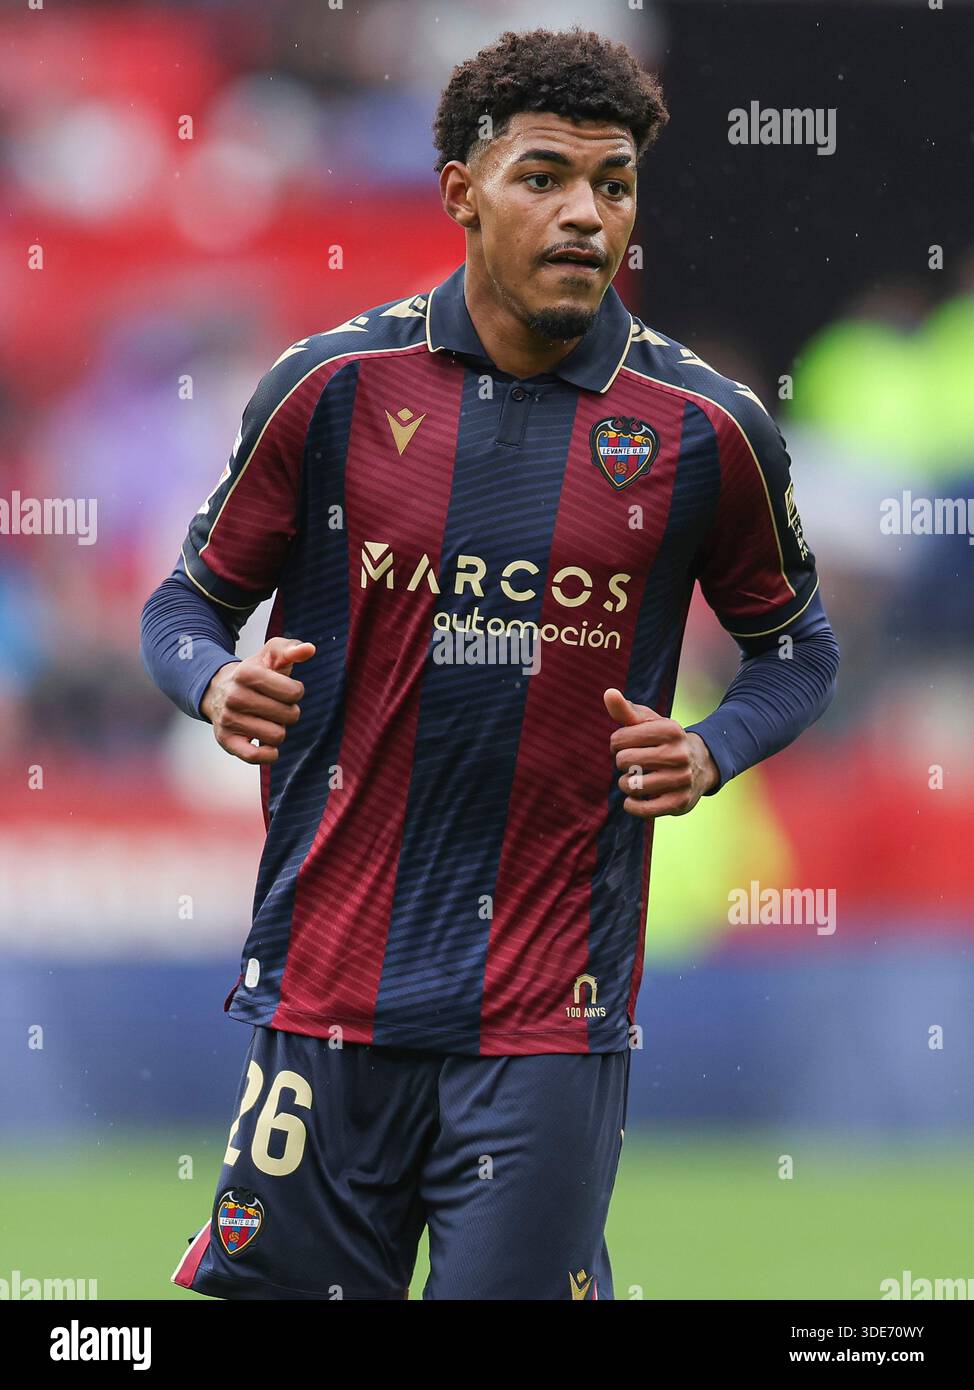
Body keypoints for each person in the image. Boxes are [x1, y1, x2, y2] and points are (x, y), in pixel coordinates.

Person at [141, 27, 839, 1301]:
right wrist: (208, 678)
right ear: (462, 190)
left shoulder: (704, 430)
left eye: (613, 184)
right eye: (542, 178)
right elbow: (186, 601)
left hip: (546, 1018)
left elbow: (795, 649)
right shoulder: (330, 388)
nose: (584, 214)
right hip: (328, 992)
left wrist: (710, 746)